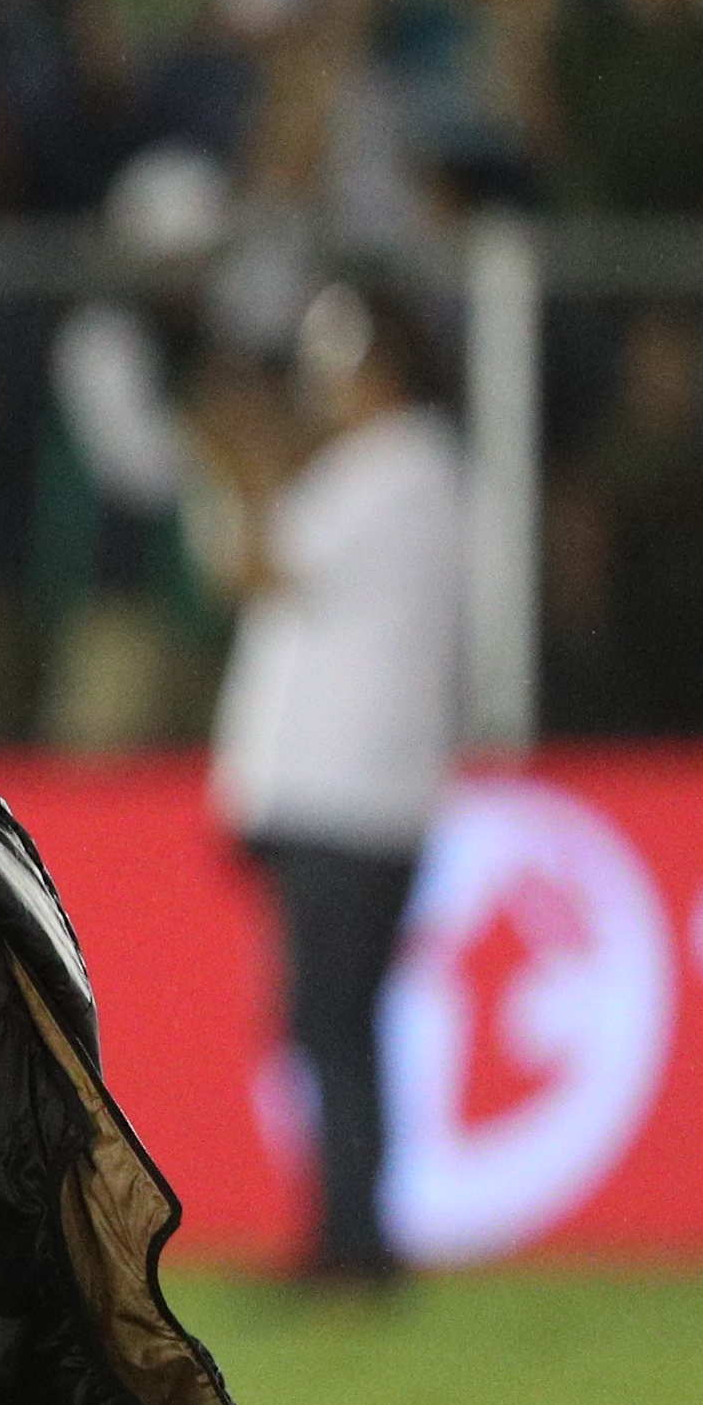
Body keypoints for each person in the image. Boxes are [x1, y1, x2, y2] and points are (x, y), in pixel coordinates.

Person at [200, 280, 465, 1287]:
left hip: (350, 798)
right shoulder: (396, 473)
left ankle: (354, 1246)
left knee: (330, 1024)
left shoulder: (398, 471)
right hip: (349, 796)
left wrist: (242, 452)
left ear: (377, 372)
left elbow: (260, 565)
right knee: (335, 1023)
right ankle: (350, 1235)